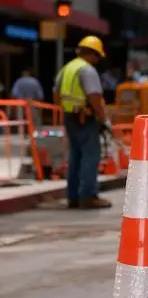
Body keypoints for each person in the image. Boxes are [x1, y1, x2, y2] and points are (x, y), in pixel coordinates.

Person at [53, 35, 113, 209]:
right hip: (85, 118)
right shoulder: (87, 70)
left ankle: (73, 197)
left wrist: (68, 108)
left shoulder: (67, 68)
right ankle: (88, 196)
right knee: (91, 155)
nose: (97, 60)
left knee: (75, 156)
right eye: (97, 56)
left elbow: (56, 94)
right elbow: (94, 96)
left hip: (70, 116)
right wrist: (103, 118)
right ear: (93, 54)